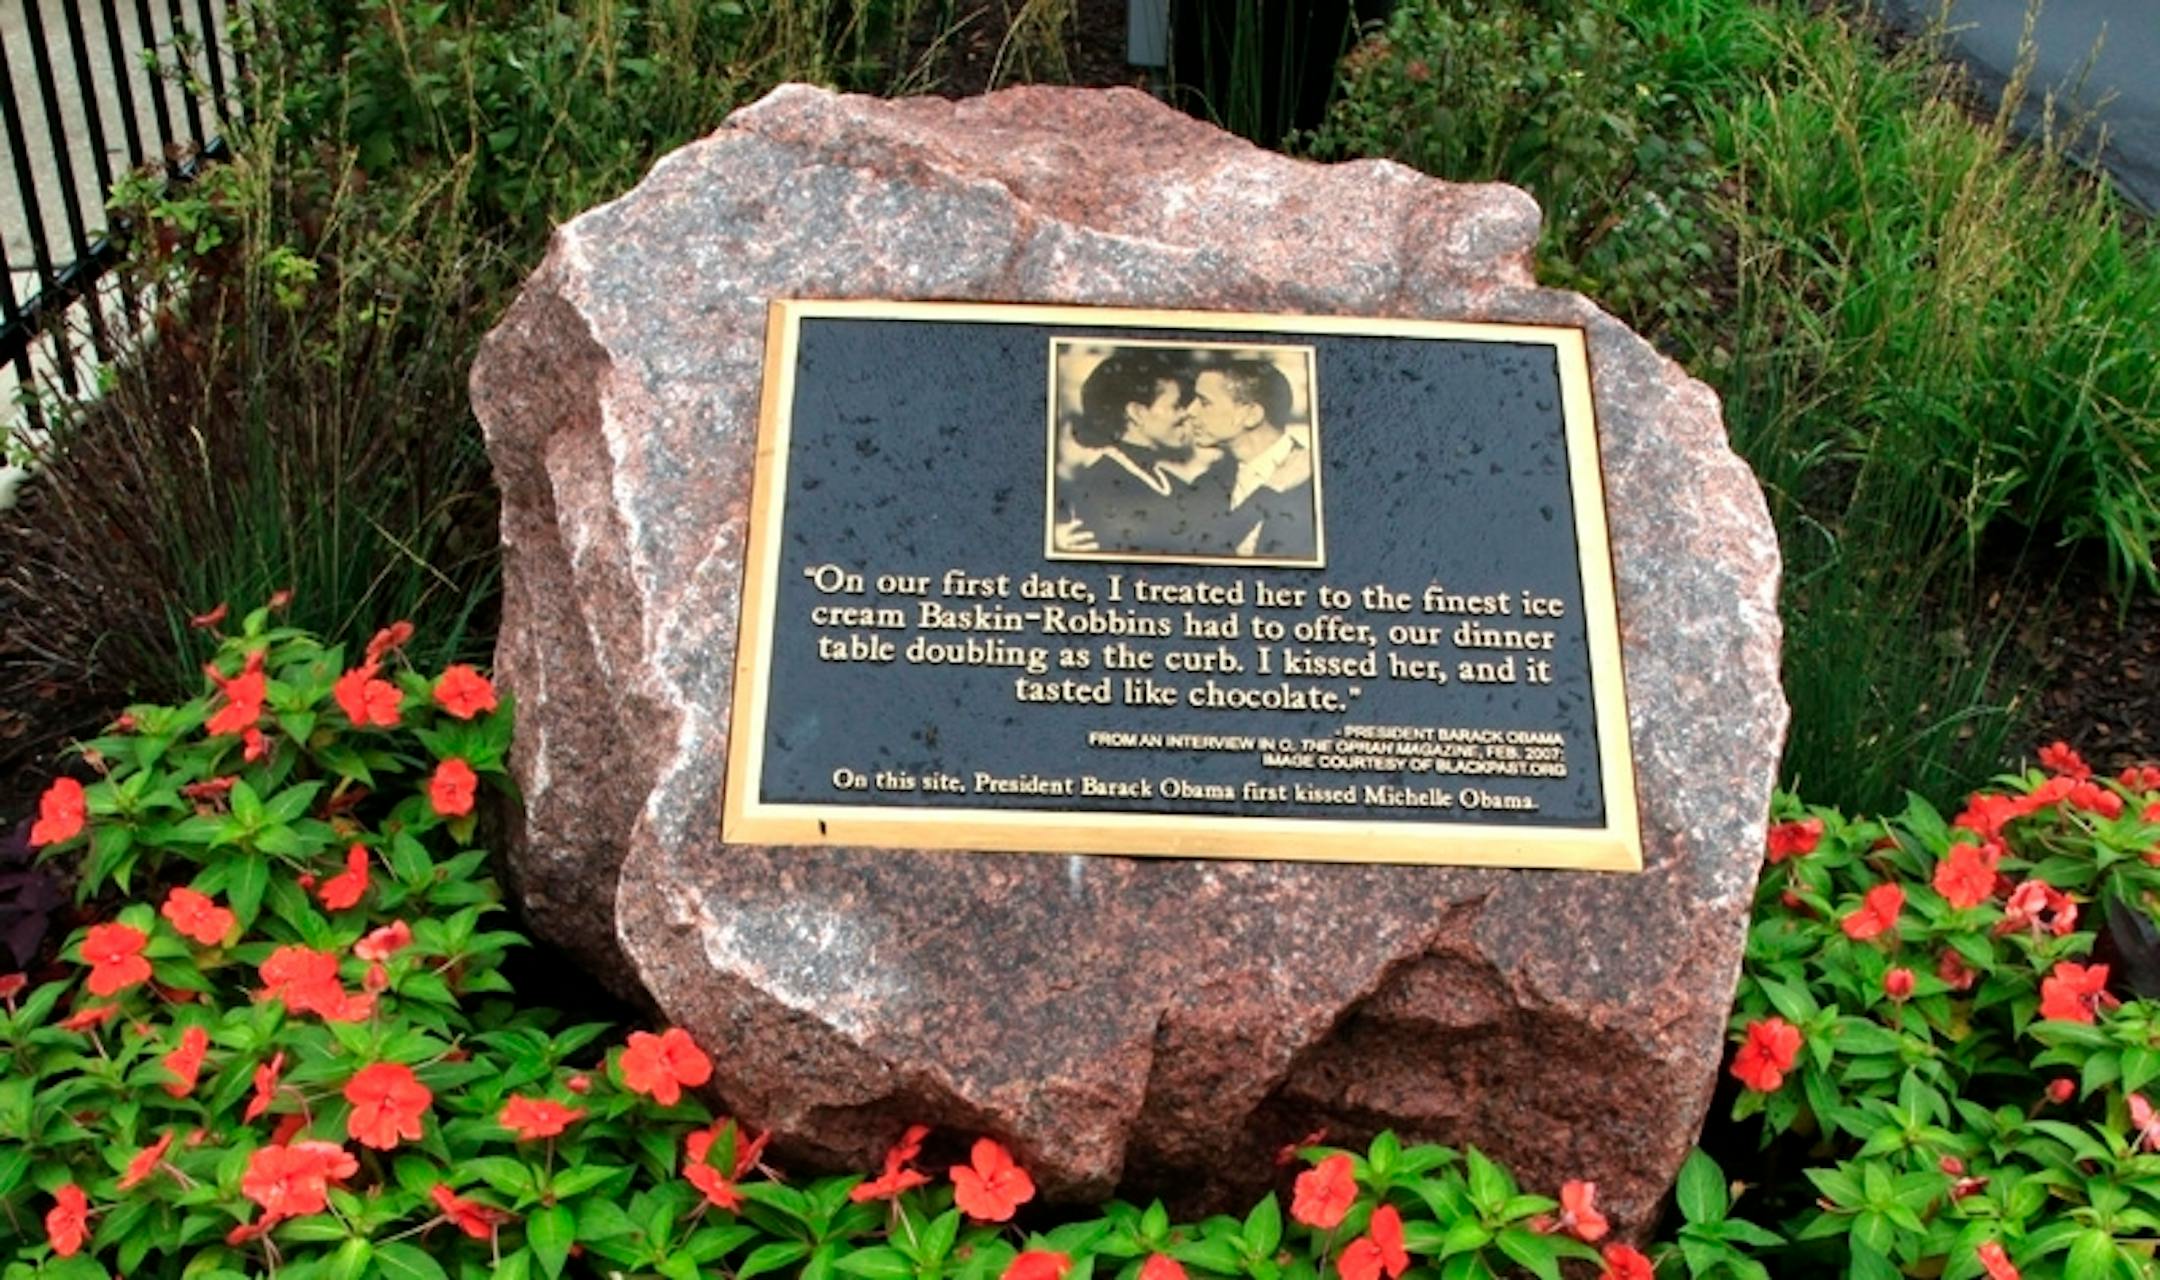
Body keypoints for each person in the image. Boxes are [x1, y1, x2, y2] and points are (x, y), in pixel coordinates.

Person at [1058, 351, 1219, 555]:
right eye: (1176, 405)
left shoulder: (1168, 481)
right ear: (1137, 413)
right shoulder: (1101, 485)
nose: (1186, 414)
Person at [1181, 359, 1316, 560]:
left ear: (1252, 414)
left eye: (1204, 402)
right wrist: (1272, 489)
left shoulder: (1316, 483)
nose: (1190, 411)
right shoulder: (1205, 485)